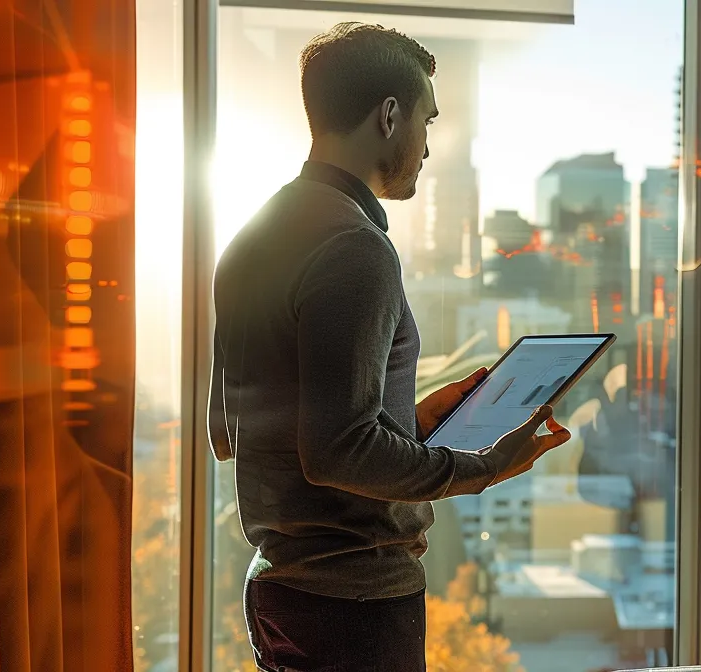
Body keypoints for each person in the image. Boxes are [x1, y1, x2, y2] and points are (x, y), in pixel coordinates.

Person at [208, 22, 571, 671]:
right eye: (427, 122)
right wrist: (485, 466)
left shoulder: (253, 238)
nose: (429, 146)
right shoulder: (355, 248)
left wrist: (404, 421)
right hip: (355, 604)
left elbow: (231, 431)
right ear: (390, 115)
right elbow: (335, 451)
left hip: (278, 591)